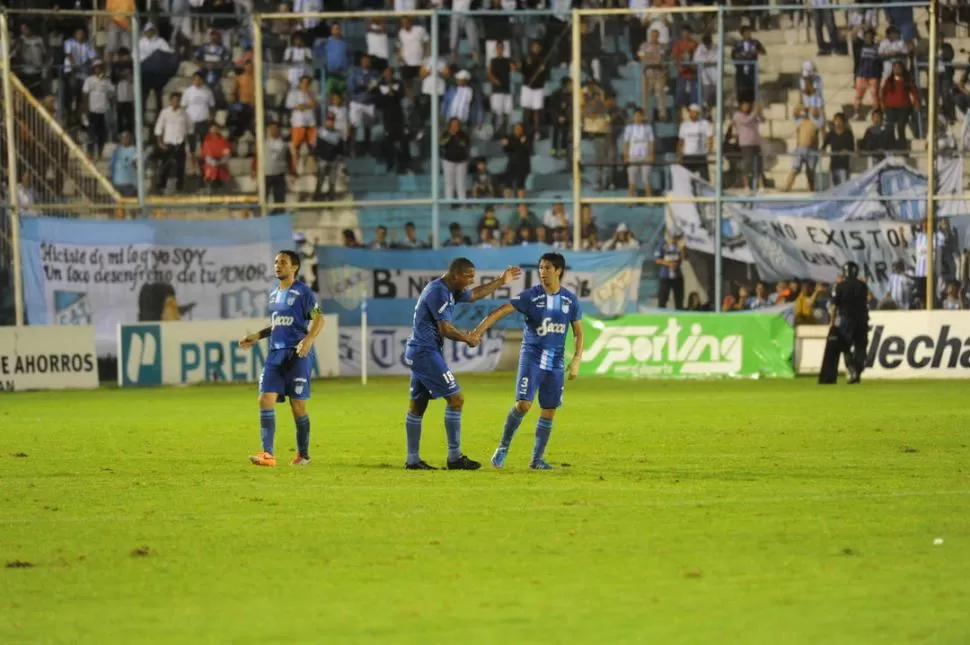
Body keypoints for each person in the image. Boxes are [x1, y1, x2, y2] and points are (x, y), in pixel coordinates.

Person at [403, 259, 522, 470]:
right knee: (456, 399)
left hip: (421, 351)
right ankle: (454, 457)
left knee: (418, 405)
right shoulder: (438, 292)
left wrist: (502, 280)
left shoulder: (449, 288)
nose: (471, 281)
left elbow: (475, 294)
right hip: (424, 352)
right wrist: (468, 338)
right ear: (455, 275)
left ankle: (412, 460)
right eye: (468, 277)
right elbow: (445, 329)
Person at [470, 253, 584, 470]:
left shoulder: (570, 300)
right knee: (523, 404)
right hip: (532, 358)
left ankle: (537, 459)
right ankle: (503, 448)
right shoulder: (531, 296)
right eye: (540, 267)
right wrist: (477, 332)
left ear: (558, 270)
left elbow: (578, 331)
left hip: (555, 363)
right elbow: (501, 311)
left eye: (547, 267)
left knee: (549, 409)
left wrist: (577, 358)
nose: (542, 272)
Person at [240, 250, 325, 466]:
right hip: (275, 353)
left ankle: (303, 455)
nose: (277, 265)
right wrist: (257, 336)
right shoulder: (273, 293)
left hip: (297, 354)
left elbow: (319, 319)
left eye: (283, 262)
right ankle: (267, 454)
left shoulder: (303, 292)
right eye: (276, 262)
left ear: (294, 267)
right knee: (264, 399)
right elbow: (278, 323)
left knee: (297, 406)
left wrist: (308, 339)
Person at [829, 261, 870, 384]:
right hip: (862, 319)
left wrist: (832, 322)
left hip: (846, 319)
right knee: (861, 346)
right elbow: (866, 300)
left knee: (845, 346)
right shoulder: (863, 286)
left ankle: (852, 369)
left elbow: (834, 306)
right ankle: (858, 369)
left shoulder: (840, 286)